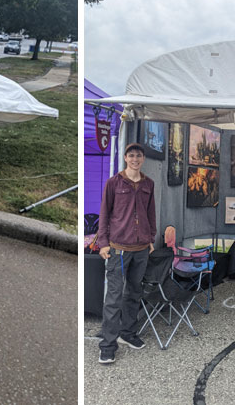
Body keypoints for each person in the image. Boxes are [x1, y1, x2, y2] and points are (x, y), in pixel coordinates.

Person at [97, 142, 156, 364]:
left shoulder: (148, 184)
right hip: (118, 249)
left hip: (141, 249)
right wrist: (103, 242)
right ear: (125, 158)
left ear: (143, 159)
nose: (135, 159)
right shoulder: (113, 183)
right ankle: (107, 345)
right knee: (113, 298)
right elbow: (104, 213)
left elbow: (151, 213)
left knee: (133, 293)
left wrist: (151, 238)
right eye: (131, 155)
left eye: (138, 156)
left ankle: (128, 333)